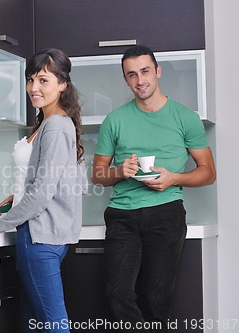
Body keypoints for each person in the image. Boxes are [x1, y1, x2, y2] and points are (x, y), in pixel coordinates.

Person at [91, 45, 216, 332]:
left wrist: (174, 178)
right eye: (131, 74)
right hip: (122, 215)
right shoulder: (115, 120)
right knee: (117, 292)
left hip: (166, 213)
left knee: (158, 298)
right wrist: (120, 172)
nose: (139, 80)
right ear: (125, 79)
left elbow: (208, 172)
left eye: (145, 71)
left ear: (157, 71)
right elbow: (98, 175)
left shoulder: (185, 117)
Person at [0, 48, 87, 332]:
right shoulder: (47, 123)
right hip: (41, 235)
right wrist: (18, 196)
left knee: (54, 323)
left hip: (39, 237)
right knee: (32, 324)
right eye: (30, 80)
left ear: (63, 84)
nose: (34, 88)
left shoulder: (57, 127)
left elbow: (43, 192)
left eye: (44, 80)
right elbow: (68, 181)